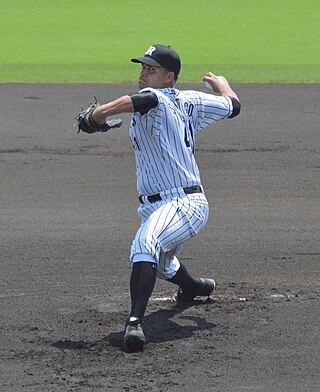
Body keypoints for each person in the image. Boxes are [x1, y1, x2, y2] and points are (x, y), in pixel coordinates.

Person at [79, 44, 241, 352]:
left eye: (150, 69)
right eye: (142, 67)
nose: (142, 72)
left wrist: (99, 114)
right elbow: (233, 106)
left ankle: (134, 323)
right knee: (164, 264)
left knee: (145, 244)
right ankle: (194, 287)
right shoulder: (192, 100)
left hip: (184, 203)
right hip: (157, 204)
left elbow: (140, 100)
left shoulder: (157, 97)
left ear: (169, 78)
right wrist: (224, 87)